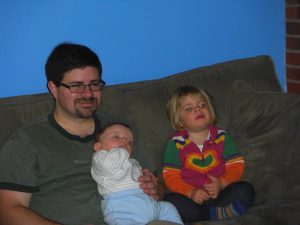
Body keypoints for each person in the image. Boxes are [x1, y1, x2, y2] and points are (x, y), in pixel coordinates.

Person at [0, 43, 164, 225]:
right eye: (76, 86)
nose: (88, 94)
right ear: (53, 88)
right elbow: (8, 210)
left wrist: (156, 189)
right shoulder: (26, 141)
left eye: (94, 84)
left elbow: (161, 188)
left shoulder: (123, 132)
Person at [162, 85, 255, 223]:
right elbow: (170, 176)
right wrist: (190, 192)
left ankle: (209, 214)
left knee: (246, 189)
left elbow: (235, 164)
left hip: (221, 194)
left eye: (202, 105)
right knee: (169, 201)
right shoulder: (175, 143)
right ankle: (216, 214)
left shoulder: (222, 137)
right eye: (189, 109)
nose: (197, 109)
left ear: (210, 111)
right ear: (180, 121)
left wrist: (222, 183)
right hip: (192, 200)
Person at [91, 122, 183, 225]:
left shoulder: (131, 161)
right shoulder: (100, 158)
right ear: (98, 147)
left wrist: (148, 177)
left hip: (149, 205)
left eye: (130, 142)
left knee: (168, 208)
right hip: (124, 209)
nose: (125, 141)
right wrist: (123, 150)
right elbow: (110, 164)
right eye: (116, 137)